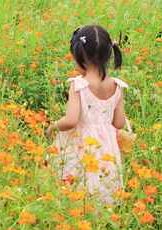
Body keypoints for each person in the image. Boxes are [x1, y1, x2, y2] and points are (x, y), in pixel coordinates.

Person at [45, 25, 128, 205]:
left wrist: (52, 127)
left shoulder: (79, 85)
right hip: (107, 150)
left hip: (81, 146)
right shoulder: (117, 86)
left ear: (80, 56)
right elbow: (119, 123)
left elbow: (71, 120)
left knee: (76, 189)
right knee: (102, 190)